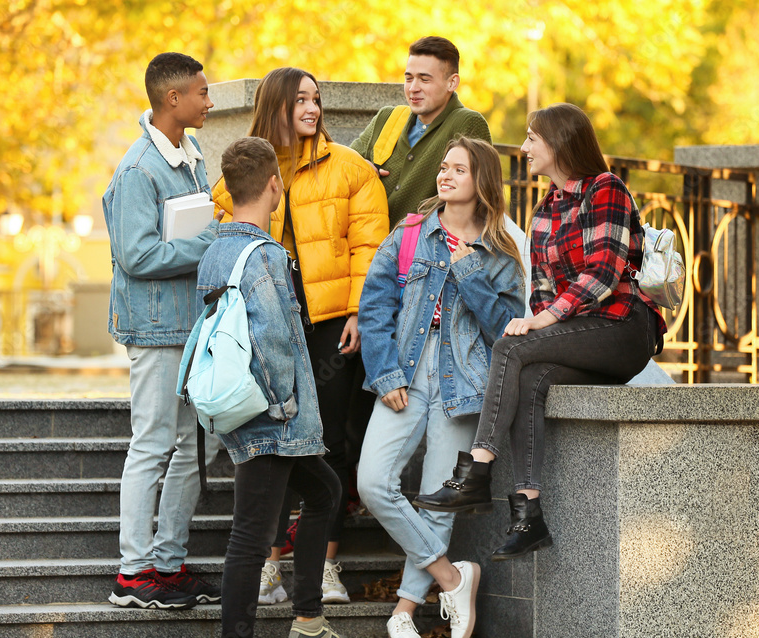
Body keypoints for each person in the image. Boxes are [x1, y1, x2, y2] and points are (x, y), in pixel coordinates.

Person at [413, 104, 668, 560]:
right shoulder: (545, 208)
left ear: (559, 142)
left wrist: (543, 321)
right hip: (581, 333)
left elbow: (606, 272)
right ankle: (528, 514)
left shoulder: (604, 190)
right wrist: (541, 314)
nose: (525, 147)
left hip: (624, 328)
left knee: (511, 347)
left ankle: (477, 472)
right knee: (530, 378)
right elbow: (543, 292)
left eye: (533, 138)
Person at [211, 67, 389, 607]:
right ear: (276, 106)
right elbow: (227, 236)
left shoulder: (351, 170)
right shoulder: (243, 177)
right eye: (300, 100)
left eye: (317, 99)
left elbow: (370, 250)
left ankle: (327, 566)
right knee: (269, 438)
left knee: (327, 440)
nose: (311, 109)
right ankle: (269, 564)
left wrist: (359, 312)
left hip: (333, 321)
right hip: (270, 325)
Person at [356, 137, 526, 638]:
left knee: (436, 500)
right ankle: (454, 579)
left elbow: (506, 329)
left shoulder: (500, 253)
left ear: (482, 182)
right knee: (372, 483)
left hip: (464, 385)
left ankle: (405, 610)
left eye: (458, 169)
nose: (445, 175)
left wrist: (470, 269)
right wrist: (386, 373)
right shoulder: (411, 232)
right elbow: (375, 304)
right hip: (405, 374)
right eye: (444, 167)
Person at [203, 137, 349, 638]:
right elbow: (272, 343)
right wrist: (284, 408)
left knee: (326, 490)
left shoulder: (216, 247)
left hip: (242, 407)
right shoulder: (263, 253)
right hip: (272, 414)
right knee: (251, 534)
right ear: (273, 185)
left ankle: (308, 621)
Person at [104, 52, 221, 610]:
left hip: (189, 325)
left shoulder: (191, 157)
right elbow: (135, 253)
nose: (209, 100)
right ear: (173, 99)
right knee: (151, 446)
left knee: (195, 443)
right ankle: (132, 574)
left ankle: (167, 562)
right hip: (153, 330)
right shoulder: (137, 170)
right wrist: (206, 245)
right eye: (201, 92)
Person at [351, 36, 491, 227]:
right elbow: (343, 170)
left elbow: (480, 200)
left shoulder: (467, 123)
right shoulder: (388, 118)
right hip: (366, 245)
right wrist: (364, 170)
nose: (413, 88)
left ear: (452, 83)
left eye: (424, 79)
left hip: (425, 252)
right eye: (409, 78)